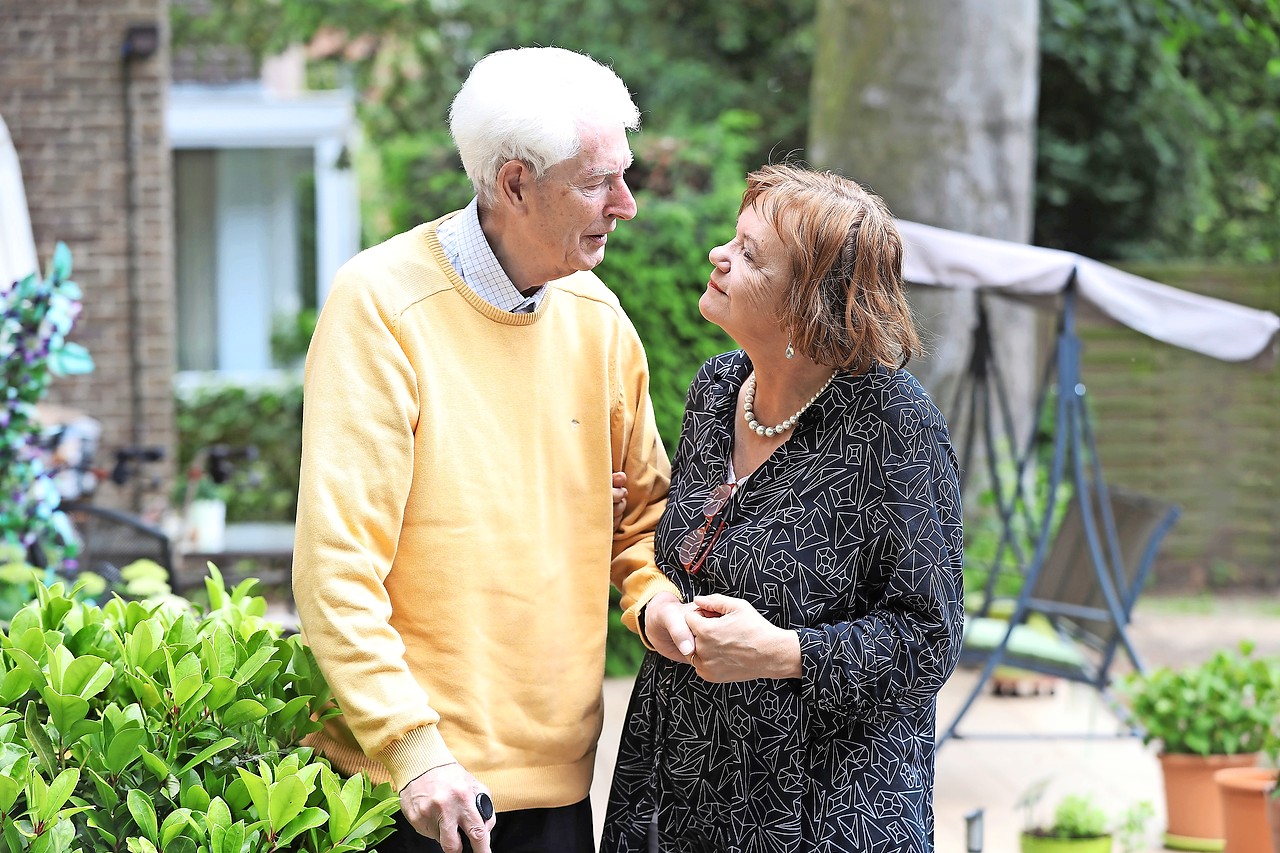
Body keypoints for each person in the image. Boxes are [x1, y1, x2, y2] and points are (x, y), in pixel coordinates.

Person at [292, 47, 696, 853]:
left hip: (555, 784)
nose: (626, 205)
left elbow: (648, 515)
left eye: (624, 176)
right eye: (595, 181)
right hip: (408, 790)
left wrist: (652, 600)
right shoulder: (382, 306)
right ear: (513, 183)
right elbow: (336, 568)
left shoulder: (598, 317)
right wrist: (412, 751)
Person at [601, 163, 965, 853]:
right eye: (732, 239)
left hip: (820, 814)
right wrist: (665, 607)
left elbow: (930, 640)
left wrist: (784, 652)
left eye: (749, 254)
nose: (720, 256)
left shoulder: (892, 423)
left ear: (809, 306)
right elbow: (689, 553)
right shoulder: (715, 390)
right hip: (681, 794)